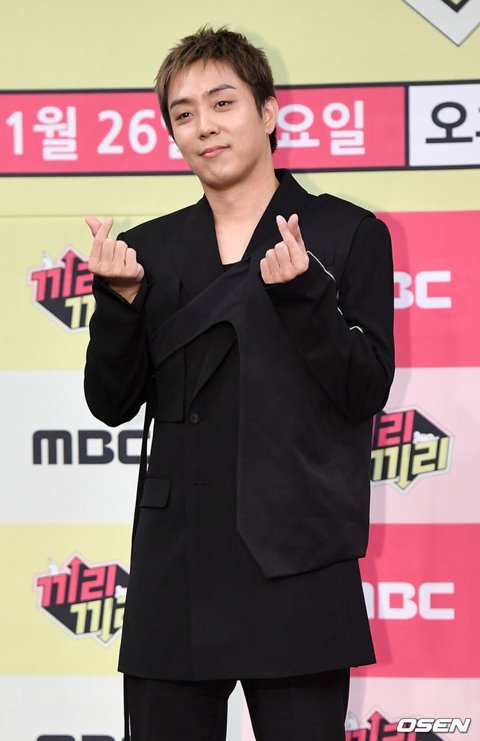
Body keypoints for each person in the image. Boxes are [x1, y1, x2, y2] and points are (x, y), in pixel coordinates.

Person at [84, 26, 394, 741]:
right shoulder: (148, 249)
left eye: (222, 102)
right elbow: (110, 404)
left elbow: (364, 389)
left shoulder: (346, 233)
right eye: (184, 113)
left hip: (298, 558)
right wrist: (121, 304)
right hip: (177, 565)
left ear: (269, 111)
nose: (204, 126)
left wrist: (305, 297)